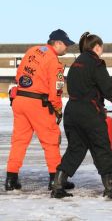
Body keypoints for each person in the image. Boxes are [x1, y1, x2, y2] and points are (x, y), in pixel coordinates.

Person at [51, 32, 112, 199]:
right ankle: (110, 188)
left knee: (75, 149)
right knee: (102, 148)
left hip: (72, 112)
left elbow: (85, 90)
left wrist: (97, 106)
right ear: (97, 47)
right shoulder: (96, 63)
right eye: (102, 47)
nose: (102, 50)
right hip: (89, 114)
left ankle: (57, 185)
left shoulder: (75, 64)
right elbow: (110, 91)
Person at [5, 29, 75, 191]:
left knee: (19, 141)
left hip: (20, 100)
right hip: (38, 104)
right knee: (51, 141)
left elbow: (19, 74)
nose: (67, 49)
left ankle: (11, 179)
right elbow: (55, 91)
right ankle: (55, 181)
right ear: (57, 43)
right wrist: (57, 109)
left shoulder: (32, 51)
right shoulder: (54, 61)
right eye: (66, 45)